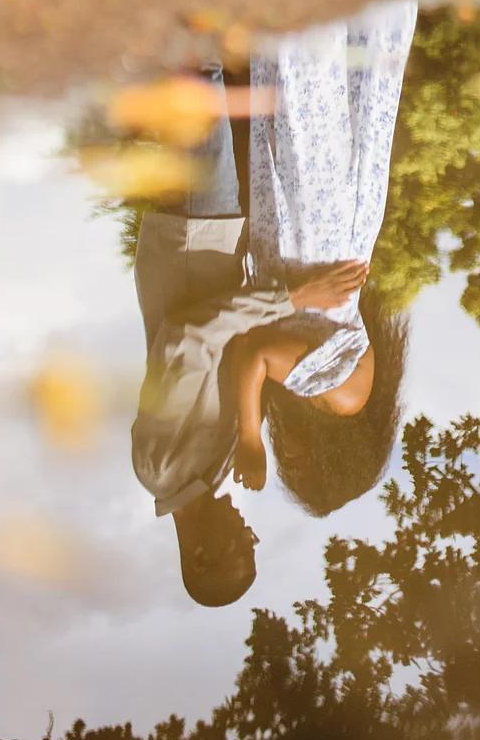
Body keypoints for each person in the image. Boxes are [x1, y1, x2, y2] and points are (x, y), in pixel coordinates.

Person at [129, 59, 370, 605]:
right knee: (230, 89)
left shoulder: (162, 465)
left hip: (193, 240)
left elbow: (186, 338)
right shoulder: (208, 472)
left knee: (201, 77)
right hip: (218, 241)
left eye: (244, 546)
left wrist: (296, 298)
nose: (250, 532)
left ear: (203, 555)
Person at [229, 0, 414, 515]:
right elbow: (257, 355)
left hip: (314, 236)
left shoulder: (342, 394)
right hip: (314, 234)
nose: (287, 456)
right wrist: (250, 436)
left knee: (321, 108)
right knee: (310, 109)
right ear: (328, 459)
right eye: (299, 466)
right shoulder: (343, 396)